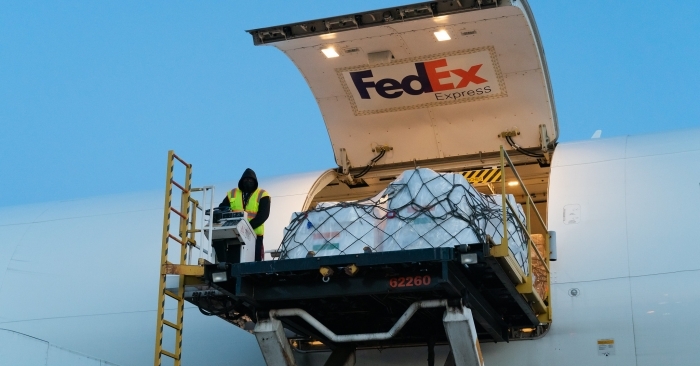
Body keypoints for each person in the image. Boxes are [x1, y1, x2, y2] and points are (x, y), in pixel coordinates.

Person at [218, 168, 270, 262]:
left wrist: (247, 228)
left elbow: (263, 215)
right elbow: (222, 208)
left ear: (255, 182)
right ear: (241, 181)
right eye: (245, 180)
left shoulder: (262, 194)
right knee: (233, 262)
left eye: (250, 180)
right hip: (235, 234)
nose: (248, 182)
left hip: (254, 235)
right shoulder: (232, 193)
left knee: (254, 263)